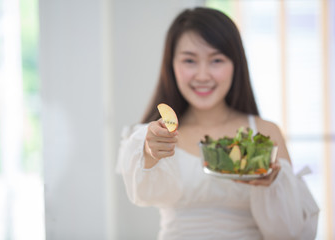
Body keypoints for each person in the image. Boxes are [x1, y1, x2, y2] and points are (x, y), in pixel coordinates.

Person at [117, 7, 319, 240]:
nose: (203, 75)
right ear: (171, 65)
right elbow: (142, 194)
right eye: (189, 60)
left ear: (236, 64)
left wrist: (274, 185)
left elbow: (289, 234)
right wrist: (148, 151)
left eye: (217, 60)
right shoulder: (155, 134)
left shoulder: (265, 132)